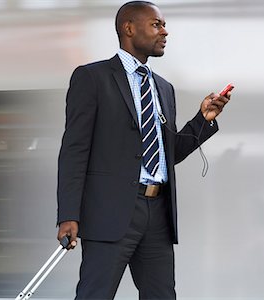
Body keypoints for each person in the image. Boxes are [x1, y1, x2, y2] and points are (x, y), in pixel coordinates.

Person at [56, 1, 231, 299]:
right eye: (156, 24)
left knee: (162, 295)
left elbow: (168, 153)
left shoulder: (163, 87)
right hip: (110, 214)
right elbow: (74, 150)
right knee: (94, 294)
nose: (165, 32)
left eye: (163, 25)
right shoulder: (92, 78)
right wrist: (68, 214)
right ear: (129, 28)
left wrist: (203, 120)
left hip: (158, 214)